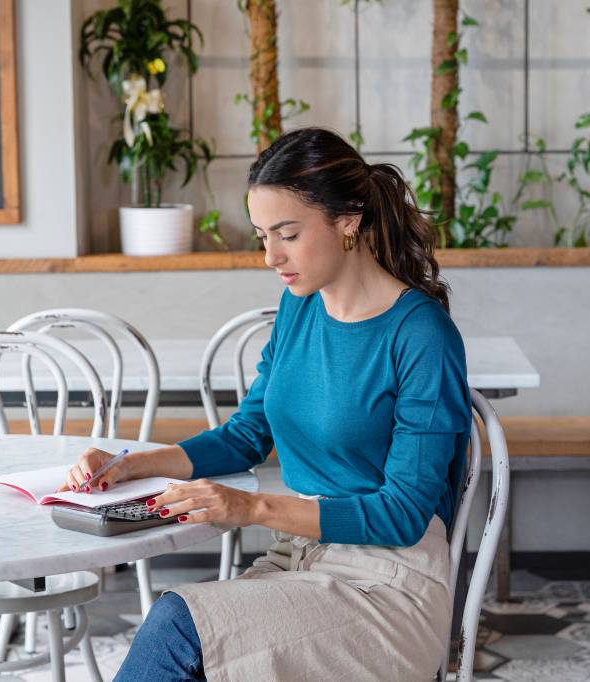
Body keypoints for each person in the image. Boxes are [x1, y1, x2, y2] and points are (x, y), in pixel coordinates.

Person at [62, 127, 472, 680]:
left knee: (179, 624)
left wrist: (250, 508)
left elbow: (401, 514)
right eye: (262, 236)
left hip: (389, 585)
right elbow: (245, 435)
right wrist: (129, 463)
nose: (271, 256)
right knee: (191, 645)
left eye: (287, 234)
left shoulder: (421, 334)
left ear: (347, 221)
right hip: (300, 560)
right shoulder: (300, 306)